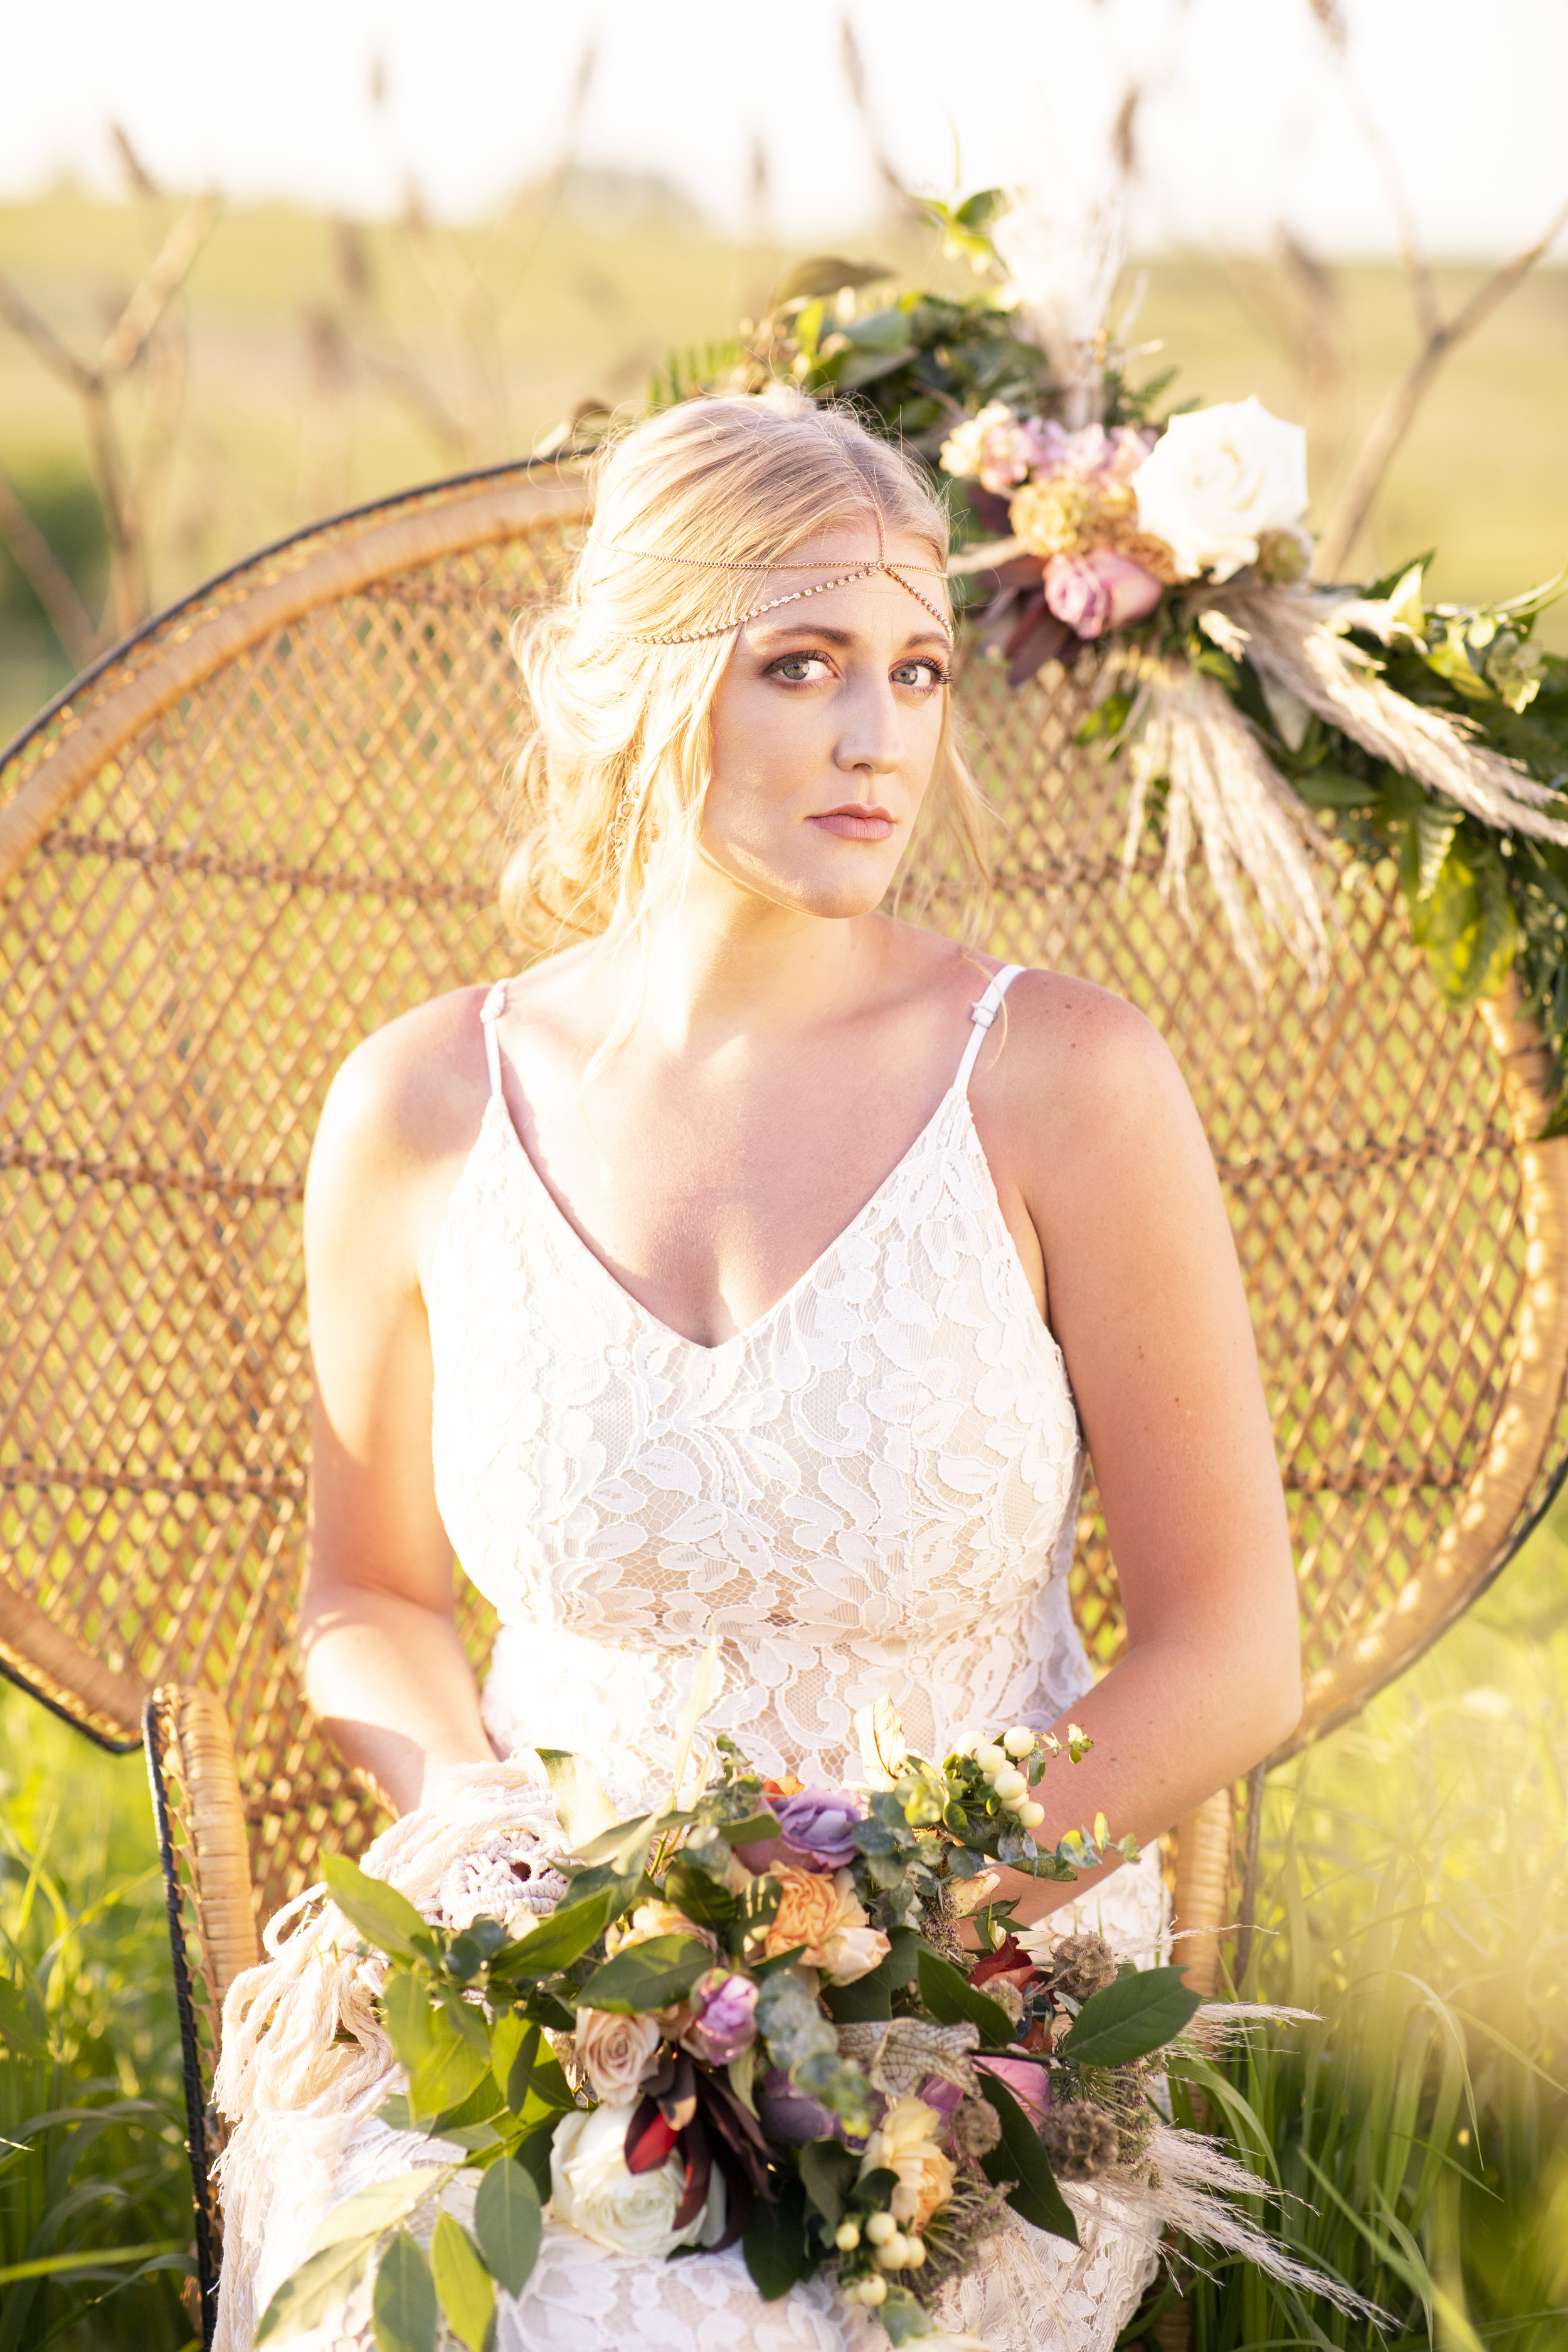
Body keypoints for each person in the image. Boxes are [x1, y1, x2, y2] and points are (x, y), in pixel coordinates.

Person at [213, 389, 1301, 2352]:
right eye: (796, 666)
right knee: (404, 2310)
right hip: (547, 1951)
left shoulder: (1064, 1082)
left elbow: (1232, 1651)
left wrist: (903, 1930)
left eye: (910, 670)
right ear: (642, 685)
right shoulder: (418, 1106)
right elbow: (363, 1600)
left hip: (975, 1965)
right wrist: (490, 1854)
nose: (876, 732)